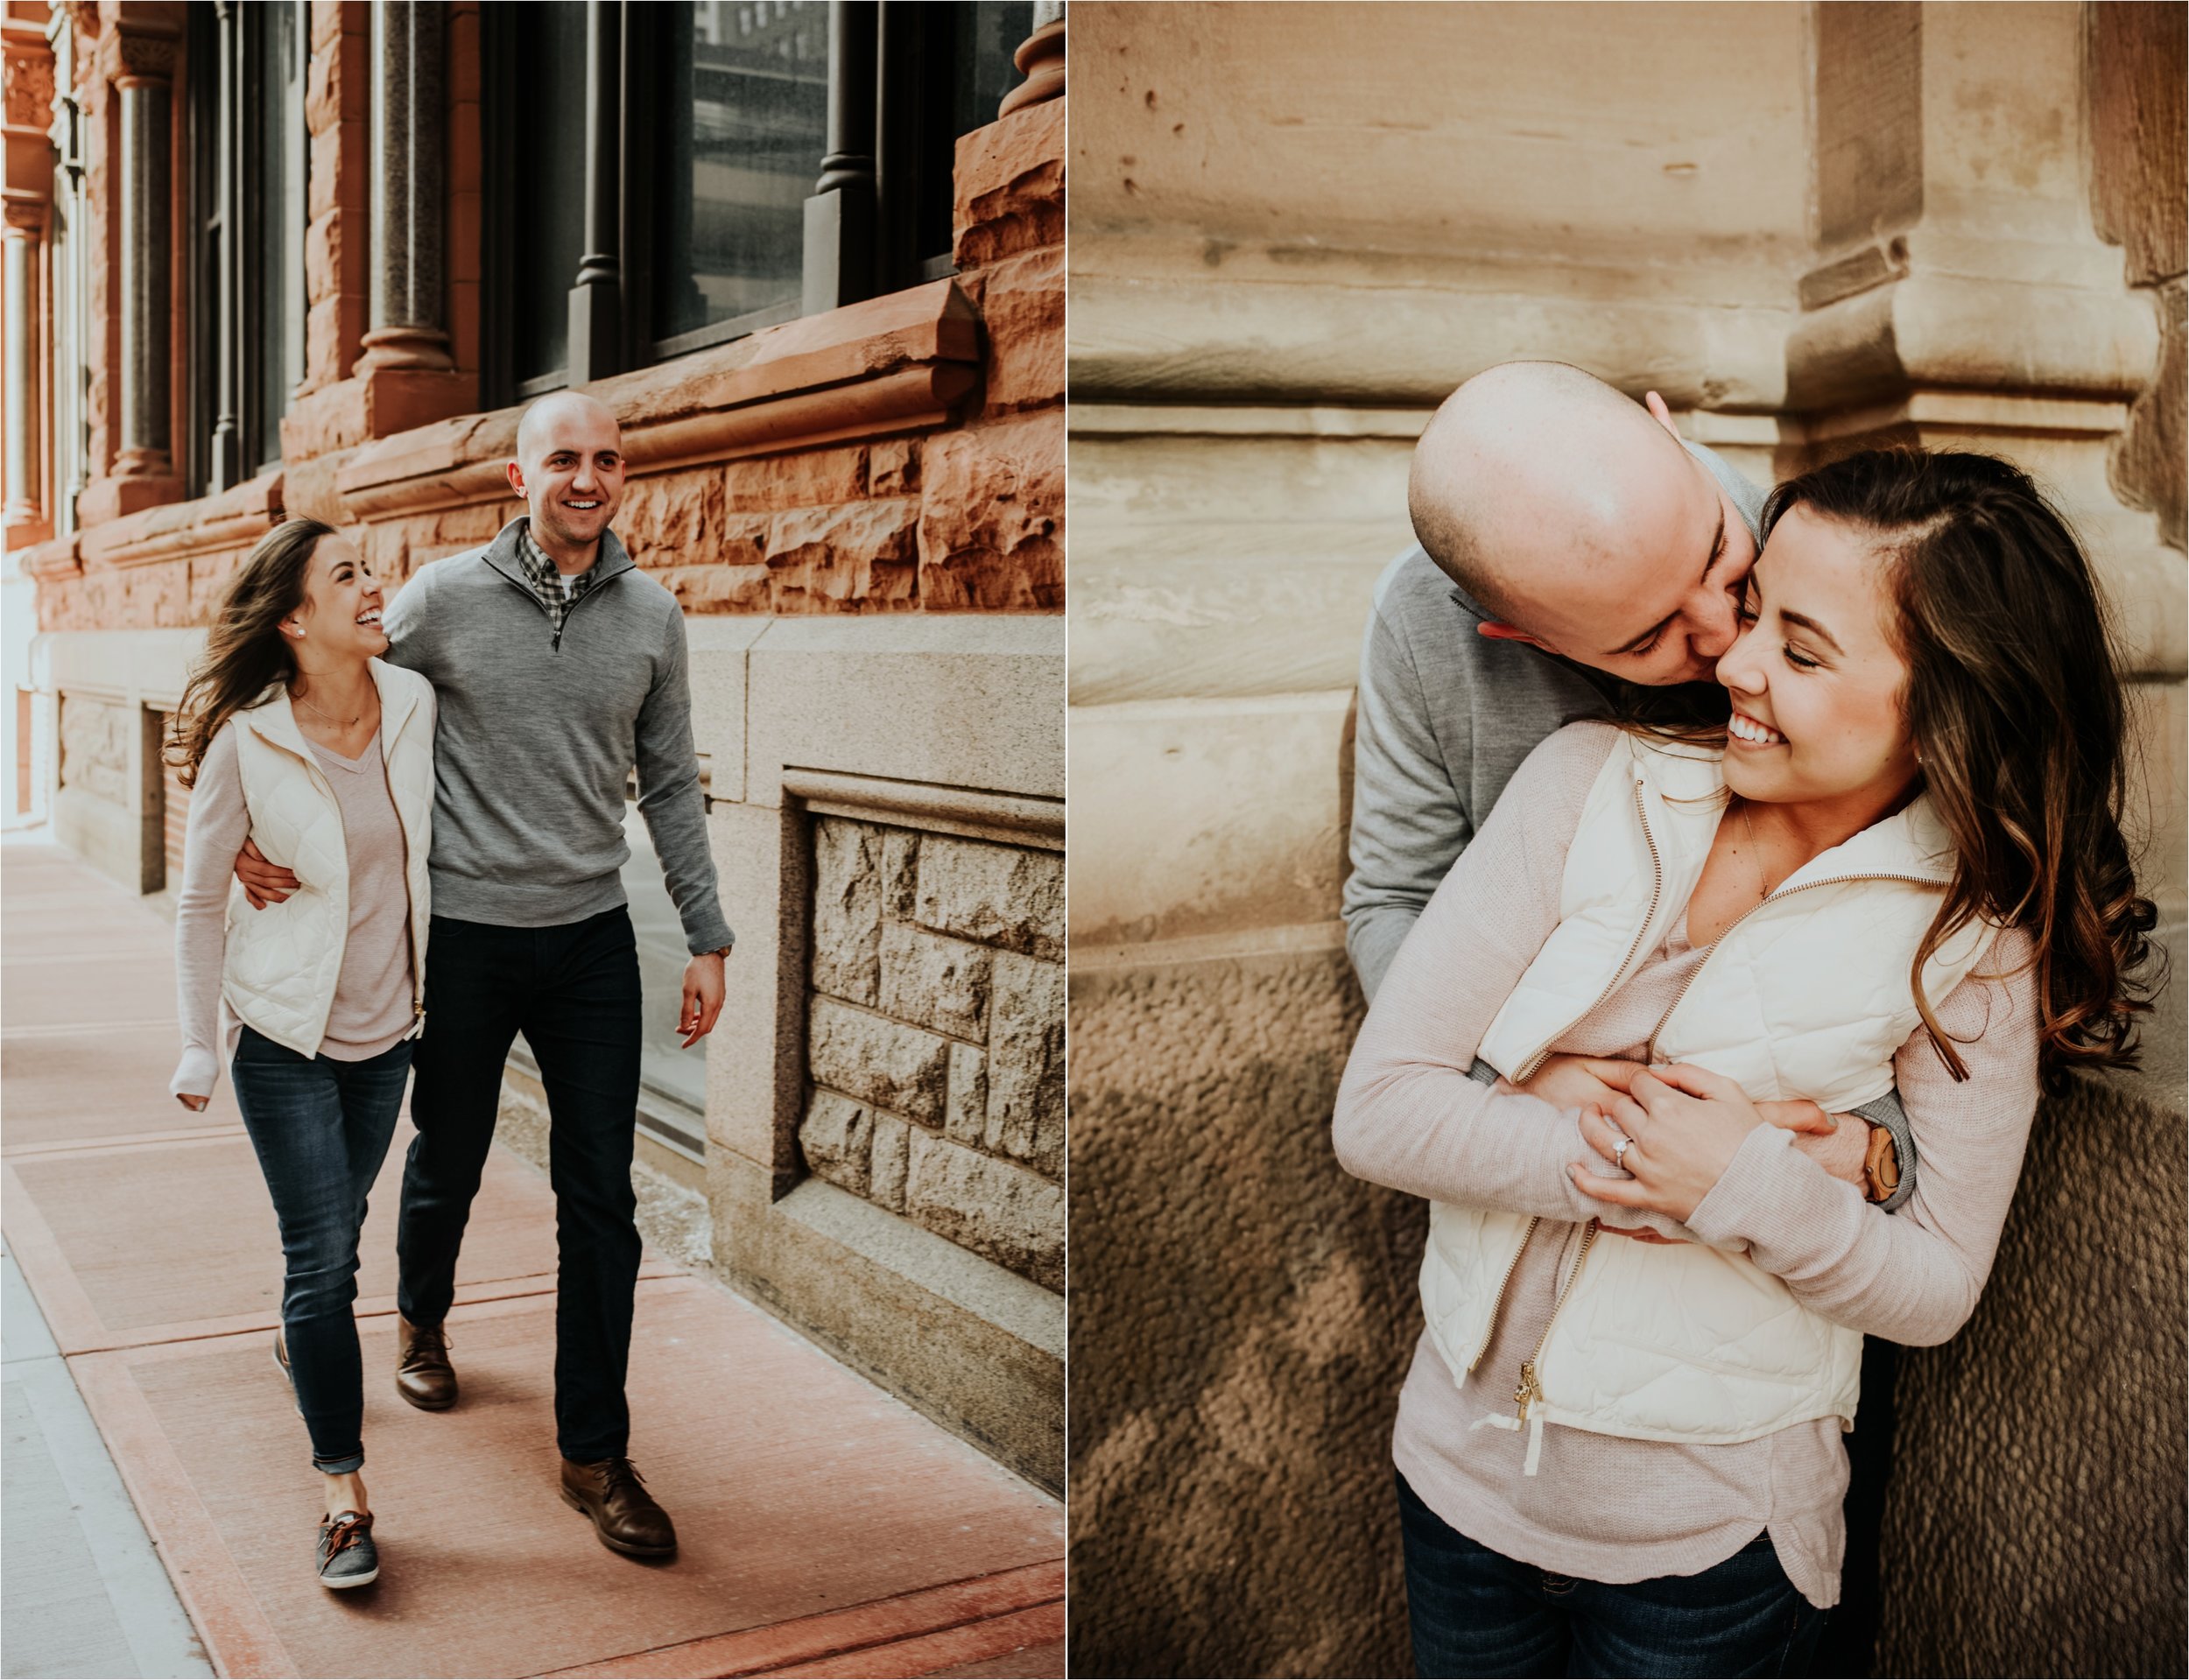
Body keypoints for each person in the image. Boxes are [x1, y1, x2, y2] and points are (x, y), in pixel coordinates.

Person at [1334, 446, 2155, 1677]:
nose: (1737, 658)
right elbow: (1382, 1111)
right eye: (1756, 603)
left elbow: (1935, 1284)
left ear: (1947, 709)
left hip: (1713, 1549)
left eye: (1803, 648)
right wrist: (1625, 1155)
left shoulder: (1973, 943)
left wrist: (1739, 1185)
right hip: (1456, 1486)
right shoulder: (1584, 783)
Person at [1342, 362, 1918, 1662]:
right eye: (1652, 637)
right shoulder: (1429, 631)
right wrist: (1501, 1072)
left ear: (1668, 426)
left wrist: (1876, 1144)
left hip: (1744, 1361)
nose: (1727, 642)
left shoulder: (1821, 546)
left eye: (1725, 560)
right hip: (1495, 1339)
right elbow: (1390, 894)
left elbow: (1942, 922)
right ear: (1522, 637)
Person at [236, 392, 734, 1561]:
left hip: (590, 941)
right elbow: (328, 692)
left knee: (600, 1196)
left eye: (608, 459)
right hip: (460, 934)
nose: (588, 476)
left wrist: (706, 933)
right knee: (449, 1149)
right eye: (565, 456)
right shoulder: (442, 598)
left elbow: (668, 785)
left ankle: (593, 1452)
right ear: (522, 476)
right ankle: (420, 1317)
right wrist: (264, 823)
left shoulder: (654, 615)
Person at [169, 517, 436, 1590]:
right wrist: (198, 1042)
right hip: (283, 1036)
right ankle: (343, 1492)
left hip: (390, 1034)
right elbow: (195, 902)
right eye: (349, 576)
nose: (376, 588)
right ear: (293, 616)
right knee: (321, 1259)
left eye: (372, 570)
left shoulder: (414, 703)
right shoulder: (249, 738)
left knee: (340, 1231)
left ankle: (301, 1337)